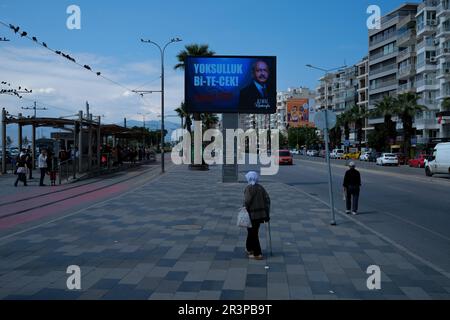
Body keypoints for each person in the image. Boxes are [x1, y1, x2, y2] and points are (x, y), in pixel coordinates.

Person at [243, 171, 271, 260]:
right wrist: (266, 210)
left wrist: (244, 208)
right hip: (261, 214)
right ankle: (249, 248)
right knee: (252, 232)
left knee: (253, 233)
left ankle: (257, 253)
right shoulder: (260, 187)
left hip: (252, 214)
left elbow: (247, 201)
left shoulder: (249, 188)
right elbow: (267, 199)